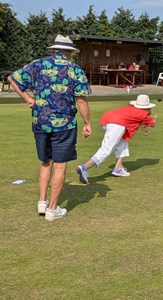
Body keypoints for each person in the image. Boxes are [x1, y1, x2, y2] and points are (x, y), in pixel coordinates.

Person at [8, 35, 92, 221]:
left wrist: (28, 98)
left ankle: (42, 202)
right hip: (64, 124)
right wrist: (87, 123)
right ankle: (52, 210)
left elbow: (12, 78)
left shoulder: (38, 64)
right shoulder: (74, 69)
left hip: (40, 121)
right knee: (60, 166)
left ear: (54, 49)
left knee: (46, 162)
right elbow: (80, 99)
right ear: (70, 52)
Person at [76, 94, 157, 184]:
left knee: (123, 142)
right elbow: (152, 124)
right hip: (117, 125)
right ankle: (85, 167)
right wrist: (154, 119)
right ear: (147, 107)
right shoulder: (143, 114)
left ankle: (118, 168)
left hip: (107, 120)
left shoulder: (130, 108)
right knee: (106, 149)